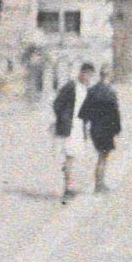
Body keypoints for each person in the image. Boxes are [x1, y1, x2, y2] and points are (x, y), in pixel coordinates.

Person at [49, 62, 94, 202]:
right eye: (86, 74)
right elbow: (57, 104)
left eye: (90, 75)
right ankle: (67, 189)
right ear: (81, 73)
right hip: (70, 127)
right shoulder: (70, 86)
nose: (88, 77)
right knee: (69, 156)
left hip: (79, 127)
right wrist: (63, 119)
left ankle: (69, 185)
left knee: (74, 157)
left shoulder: (86, 89)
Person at [78, 69, 122, 195]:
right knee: (103, 157)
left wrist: (84, 130)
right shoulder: (110, 92)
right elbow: (115, 113)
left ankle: (99, 184)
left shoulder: (92, 91)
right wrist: (117, 129)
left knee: (100, 156)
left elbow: (83, 112)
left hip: (95, 129)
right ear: (108, 75)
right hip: (106, 129)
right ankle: (99, 186)